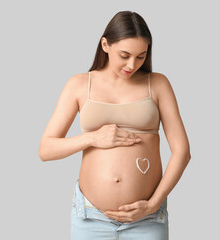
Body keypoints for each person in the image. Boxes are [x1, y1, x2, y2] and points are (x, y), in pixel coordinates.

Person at [38, 10, 191, 240]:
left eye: (141, 56)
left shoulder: (158, 84)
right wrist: (92, 138)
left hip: (146, 218)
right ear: (105, 45)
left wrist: (153, 204)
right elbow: (46, 149)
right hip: (90, 218)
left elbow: (182, 152)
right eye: (125, 55)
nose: (132, 64)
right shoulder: (79, 84)